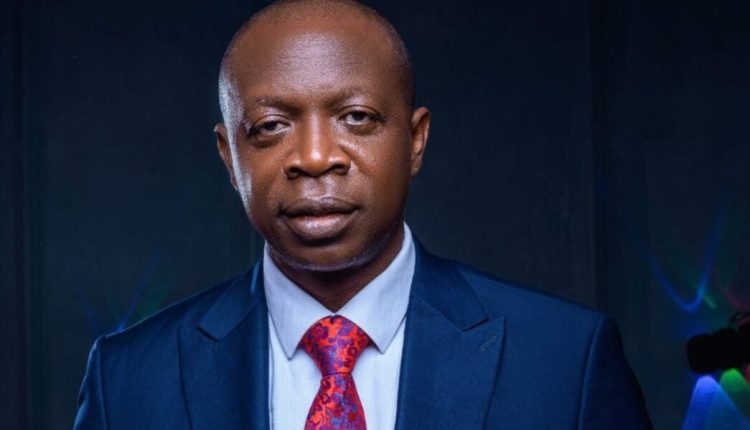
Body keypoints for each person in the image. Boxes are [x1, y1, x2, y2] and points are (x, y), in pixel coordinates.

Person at [73, 0, 651, 429]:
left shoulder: (564, 361)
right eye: (271, 126)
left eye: (356, 118)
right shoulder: (127, 381)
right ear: (230, 157)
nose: (314, 157)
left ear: (416, 140)